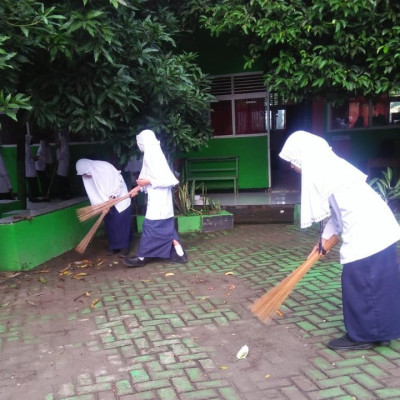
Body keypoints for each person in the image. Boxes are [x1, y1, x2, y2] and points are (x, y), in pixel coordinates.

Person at [279, 130, 400, 351]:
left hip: (369, 235)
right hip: (379, 231)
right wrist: (323, 242)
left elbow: (344, 215)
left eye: (292, 160)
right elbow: (336, 214)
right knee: (377, 286)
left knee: (360, 285)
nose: (291, 166)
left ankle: (362, 337)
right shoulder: (331, 169)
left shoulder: (326, 174)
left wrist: (336, 244)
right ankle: (380, 333)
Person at [123, 129, 188, 268]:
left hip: (159, 204)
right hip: (160, 203)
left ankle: (141, 257)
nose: (139, 144)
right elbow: (147, 178)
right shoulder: (152, 155)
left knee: (149, 228)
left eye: (139, 141)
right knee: (168, 231)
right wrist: (137, 189)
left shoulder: (153, 156)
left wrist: (146, 183)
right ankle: (180, 254)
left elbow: (166, 180)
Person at [76, 158, 135, 257]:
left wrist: (112, 197)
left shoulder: (105, 167)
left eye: (85, 173)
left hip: (119, 198)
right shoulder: (87, 175)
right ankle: (114, 246)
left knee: (121, 221)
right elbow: (93, 192)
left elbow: (118, 182)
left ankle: (124, 248)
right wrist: (101, 205)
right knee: (110, 223)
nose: (85, 175)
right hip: (105, 203)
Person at [25, 133, 40, 202]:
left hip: (29, 169)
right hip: (29, 169)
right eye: (31, 140)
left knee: (31, 184)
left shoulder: (27, 147)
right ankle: (32, 197)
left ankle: (31, 196)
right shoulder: (27, 149)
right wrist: (35, 158)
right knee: (32, 184)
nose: (32, 141)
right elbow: (28, 159)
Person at [56, 133, 71, 199]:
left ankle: (65, 195)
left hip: (63, 168)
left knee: (63, 182)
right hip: (61, 168)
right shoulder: (63, 149)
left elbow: (59, 157)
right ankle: (64, 194)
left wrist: (58, 149)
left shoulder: (64, 149)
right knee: (62, 181)